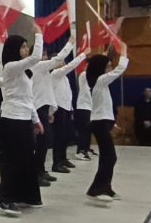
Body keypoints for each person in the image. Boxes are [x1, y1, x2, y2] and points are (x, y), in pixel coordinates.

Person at [0, 27, 45, 216]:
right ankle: (4, 199)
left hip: (24, 119)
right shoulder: (10, 67)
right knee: (11, 160)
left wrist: (36, 120)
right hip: (11, 119)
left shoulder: (24, 72)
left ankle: (25, 196)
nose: (25, 49)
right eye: (23, 46)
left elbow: (28, 99)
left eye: (26, 46)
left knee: (26, 159)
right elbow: (36, 57)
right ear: (14, 49)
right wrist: (38, 34)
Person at [85, 45, 130, 204]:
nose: (110, 69)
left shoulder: (101, 83)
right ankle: (97, 189)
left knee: (107, 156)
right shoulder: (100, 81)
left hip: (103, 123)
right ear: (101, 69)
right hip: (99, 124)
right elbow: (120, 69)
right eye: (108, 66)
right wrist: (123, 52)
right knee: (110, 156)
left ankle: (105, 187)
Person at [32, 40, 75, 177]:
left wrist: (51, 111)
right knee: (43, 141)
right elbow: (61, 61)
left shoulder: (46, 72)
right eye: (42, 54)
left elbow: (48, 93)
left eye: (45, 54)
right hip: (39, 107)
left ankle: (41, 169)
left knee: (46, 141)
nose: (45, 57)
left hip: (47, 107)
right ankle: (40, 170)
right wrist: (71, 44)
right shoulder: (39, 67)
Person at [50, 49, 87, 173]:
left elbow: (68, 94)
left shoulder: (64, 78)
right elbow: (70, 66)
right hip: (58, 108)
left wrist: (71, 109)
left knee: (66, 136)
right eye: (60, 61)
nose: (63, 63)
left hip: (66, 108)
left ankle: (63, 158)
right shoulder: (55, 74)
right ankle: (56, 163)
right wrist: (83, 55)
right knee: (59, 136)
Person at [73, 69, 95, 161]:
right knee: (83, 131)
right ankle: (80, 151)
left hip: (88, 108)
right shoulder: (83, 75)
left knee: (88, 130)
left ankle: (86, 149)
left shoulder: (89, 86)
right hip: (82, 107)